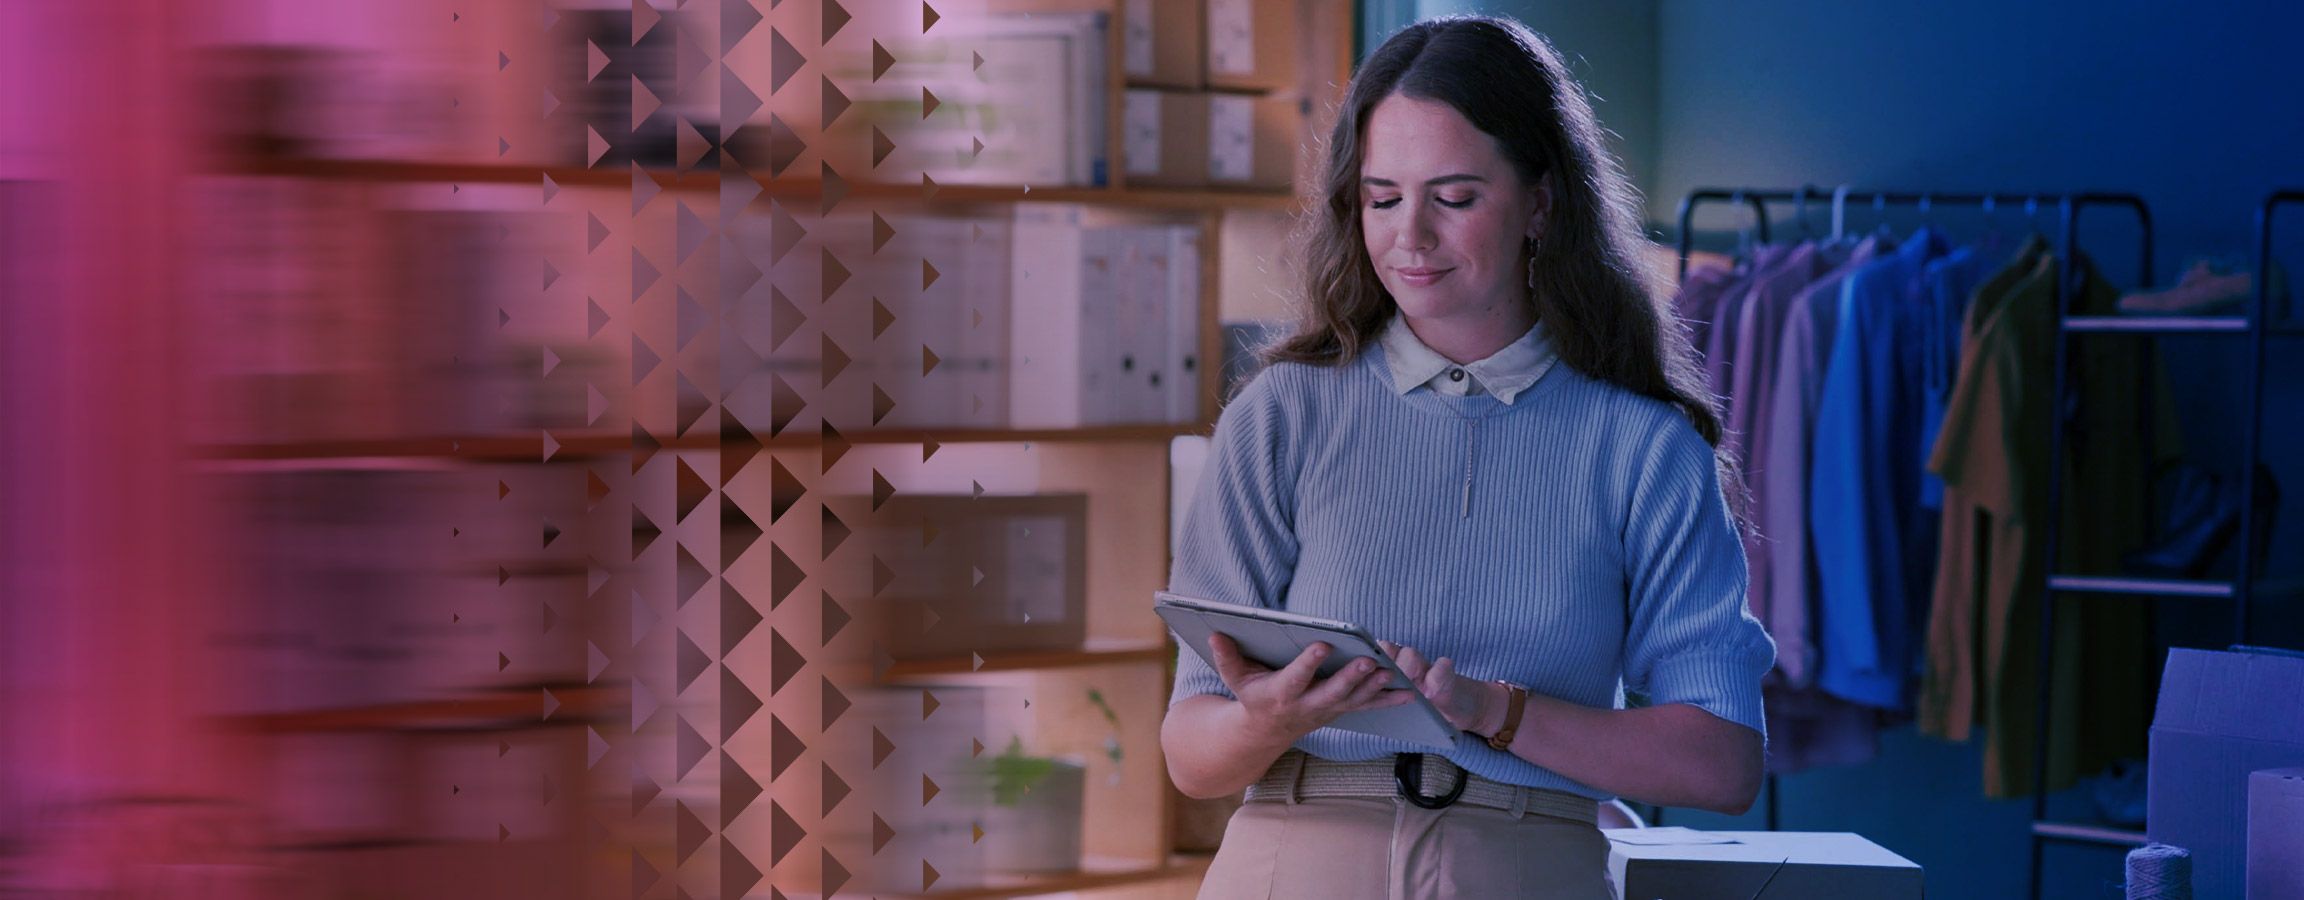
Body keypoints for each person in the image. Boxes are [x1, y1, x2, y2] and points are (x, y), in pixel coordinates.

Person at [1158, 15, 1775, 899]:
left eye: (1453, 198)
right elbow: (1192, 755)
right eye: (1381, 199)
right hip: (1292, 860)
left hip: (1526, 868)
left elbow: (1723, 764)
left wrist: (1493, 711)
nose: (1409, 238)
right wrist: (1267, 718)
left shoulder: (1643, 448)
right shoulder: (1279, 416)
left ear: (1542, 202)